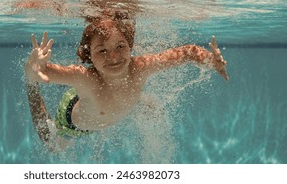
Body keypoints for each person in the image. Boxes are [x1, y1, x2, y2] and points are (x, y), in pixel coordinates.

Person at [24, 16, 228, 151]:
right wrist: (34, 68)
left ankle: (137, 99)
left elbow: (189, 52)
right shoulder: (84, 77)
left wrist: (212, 61)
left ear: (130, 47)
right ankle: (30, 90)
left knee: (134, 94)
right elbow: (41, 72)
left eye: (120, 46)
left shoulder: (140, 67)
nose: (113, 57)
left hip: (103, 105)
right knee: (53, 146)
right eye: (102, 51)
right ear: (89, 56)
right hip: (74, 120)